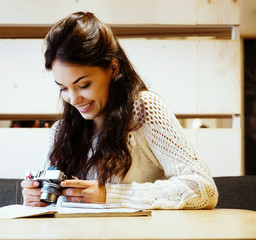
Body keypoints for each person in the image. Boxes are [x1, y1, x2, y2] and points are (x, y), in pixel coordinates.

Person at [21, 12, 218, 209]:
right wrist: (37, 201)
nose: (73, 99)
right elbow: (54, 211)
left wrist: (109, 195)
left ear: (113, 68)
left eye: (84, 85)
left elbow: (203, 189)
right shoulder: (60, 132)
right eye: (63, 88)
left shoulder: (144, 111)